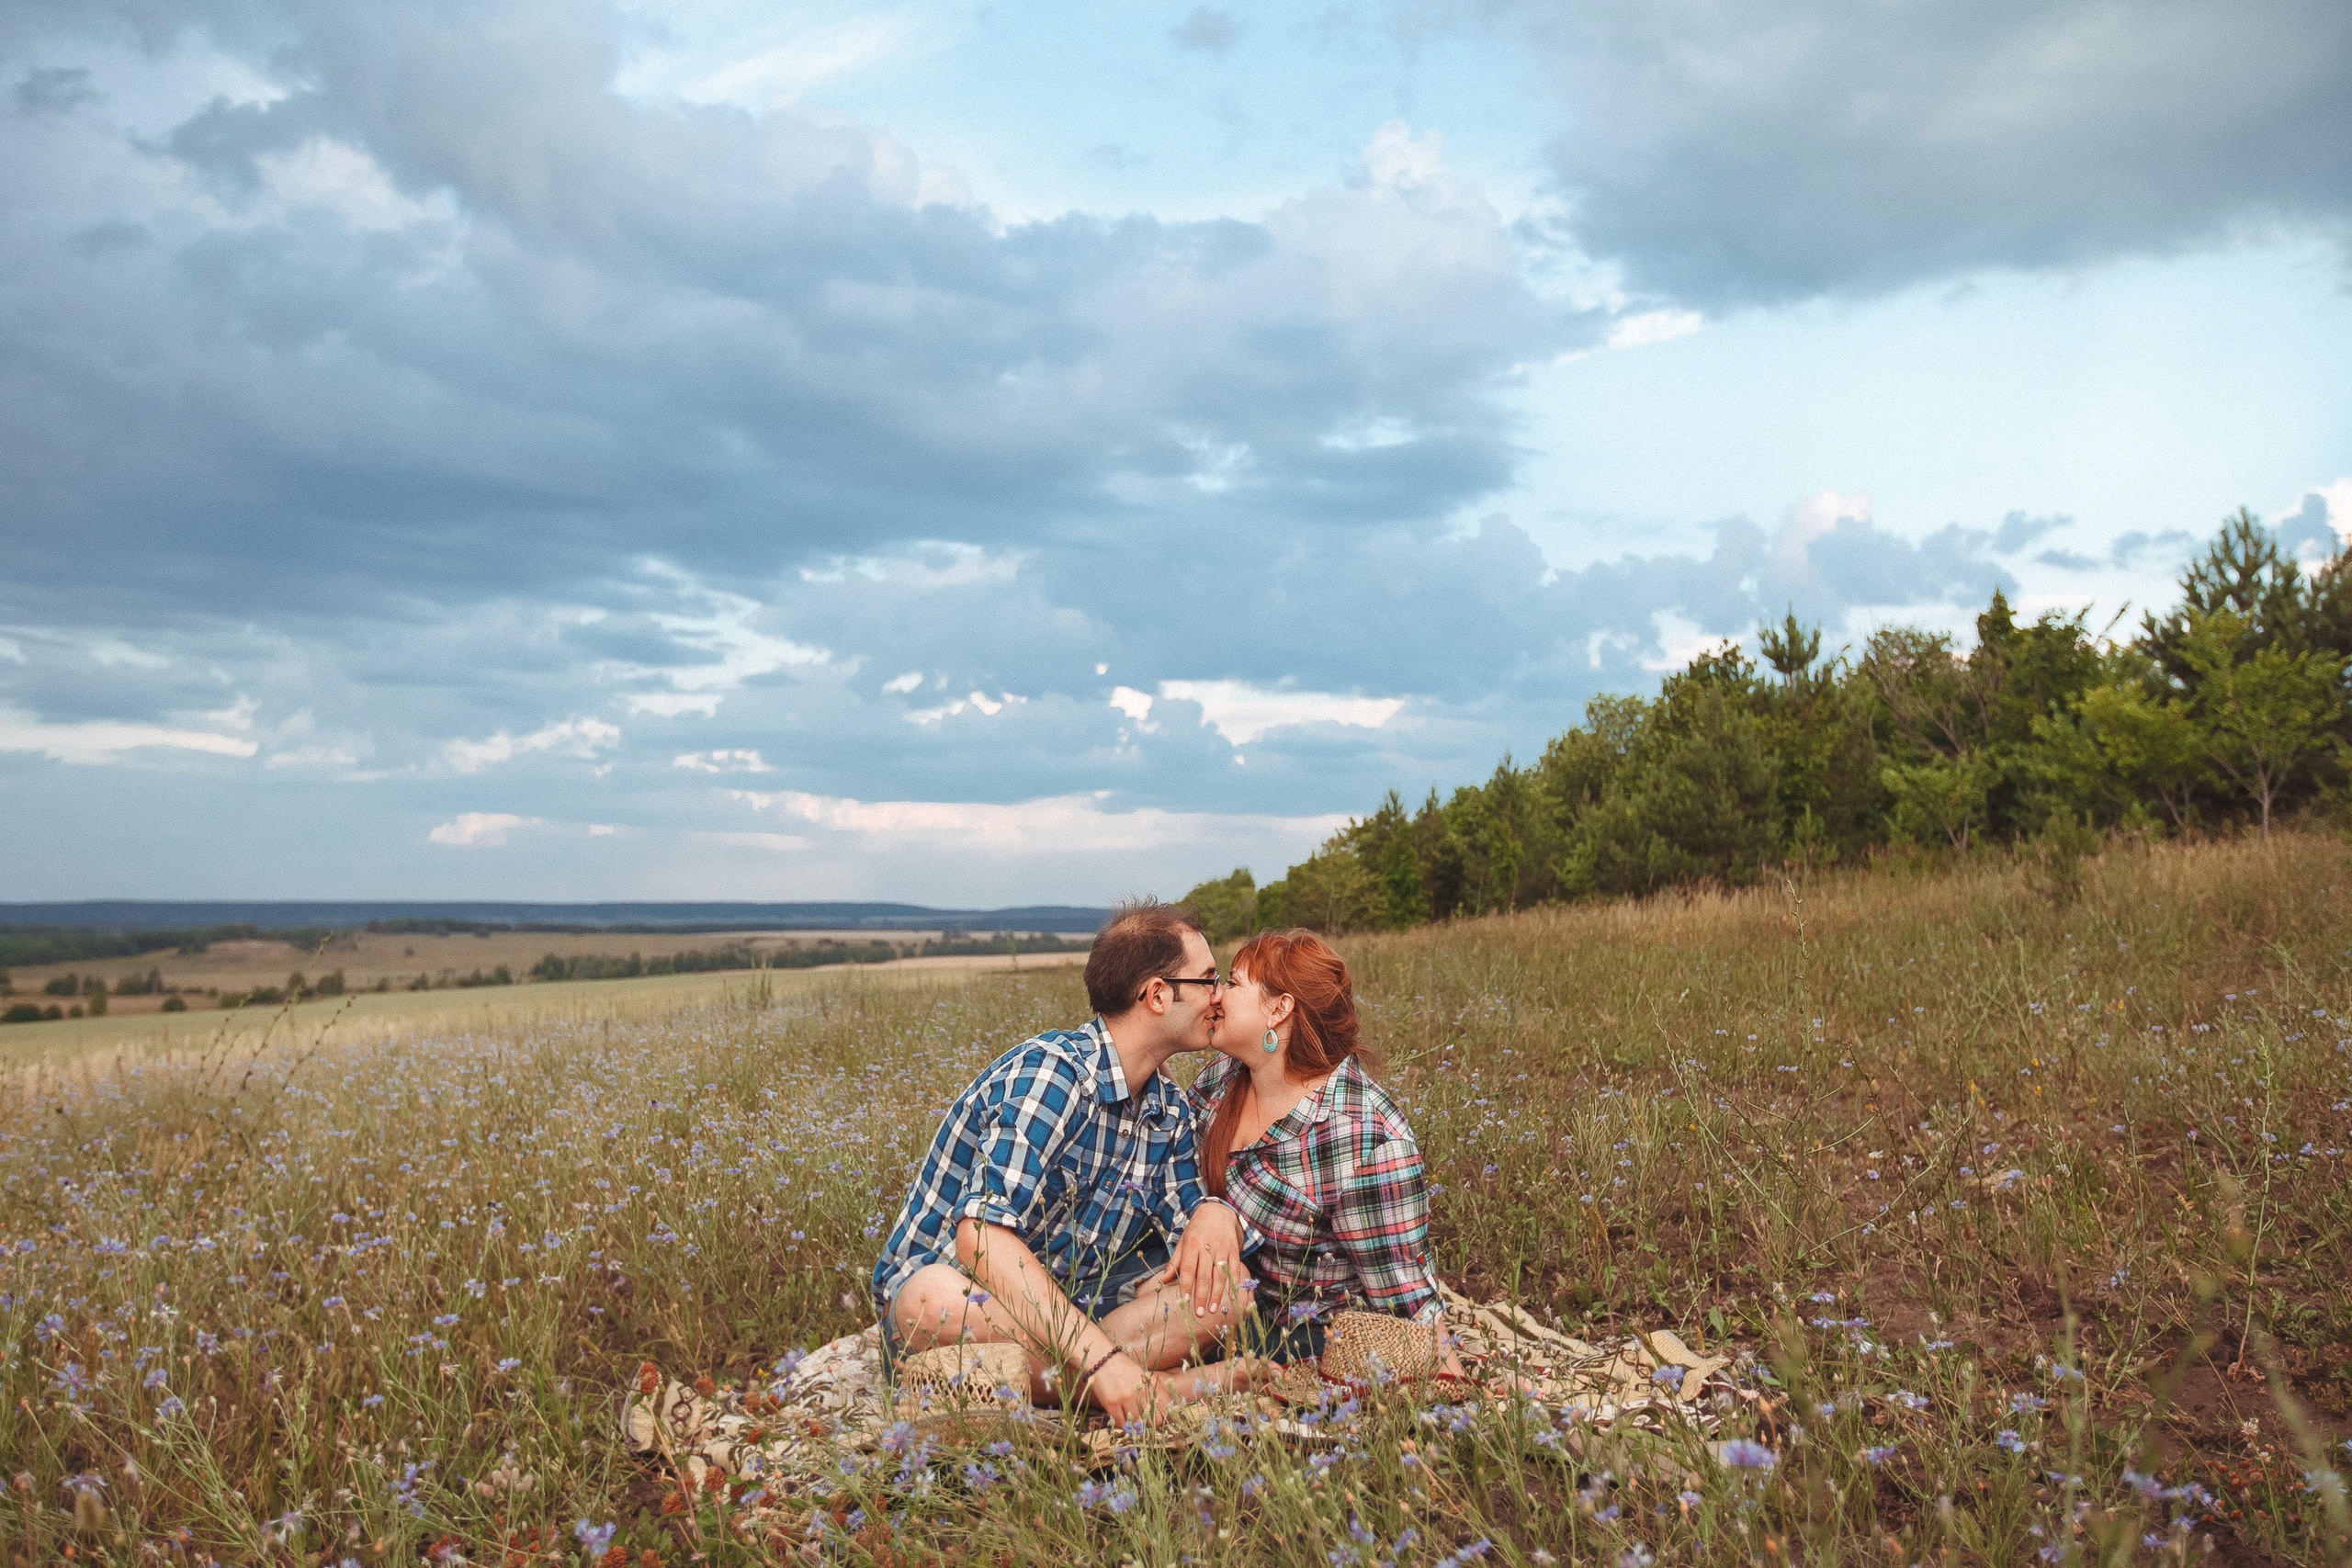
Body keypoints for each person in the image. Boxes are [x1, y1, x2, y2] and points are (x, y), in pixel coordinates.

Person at [870, 900, 1259, 1426]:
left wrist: (1217, 1216)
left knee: (1228, 1296)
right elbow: (979, 1240)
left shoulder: (1170, 1110)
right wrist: (1099, 1355)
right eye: (1209, 979)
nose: (1220, 997)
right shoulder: (1053, 1076)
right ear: (1158, 994)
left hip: (1072, 1312)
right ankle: (1141, 1380)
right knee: (931, 1300)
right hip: (964, 1303)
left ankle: (1087, 1379)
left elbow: (1184, 1252)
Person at [1188, 928, 1462, 1375]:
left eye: (1233, 983)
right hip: (1214, 1305)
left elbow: (1407, 1303)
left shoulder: (1365, 1139)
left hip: (1307, 1345)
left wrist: (1453, 1388)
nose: (1216, 996)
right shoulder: (1222, 1079)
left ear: (1280, 1008)